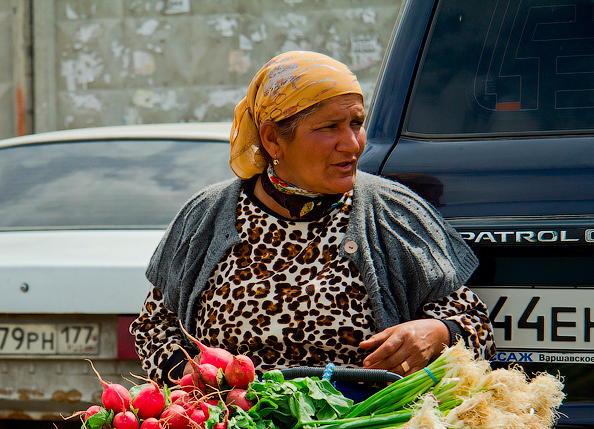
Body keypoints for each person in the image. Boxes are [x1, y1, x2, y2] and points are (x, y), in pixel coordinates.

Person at [132, 51, 495, 387]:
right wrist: (200, 383)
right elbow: (154, 328)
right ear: (273, 139)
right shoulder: (207, 217)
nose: (352, 144)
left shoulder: (392, 212)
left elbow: (476, 326)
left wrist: (436, 333)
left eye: (356, 123)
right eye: (330, 127)